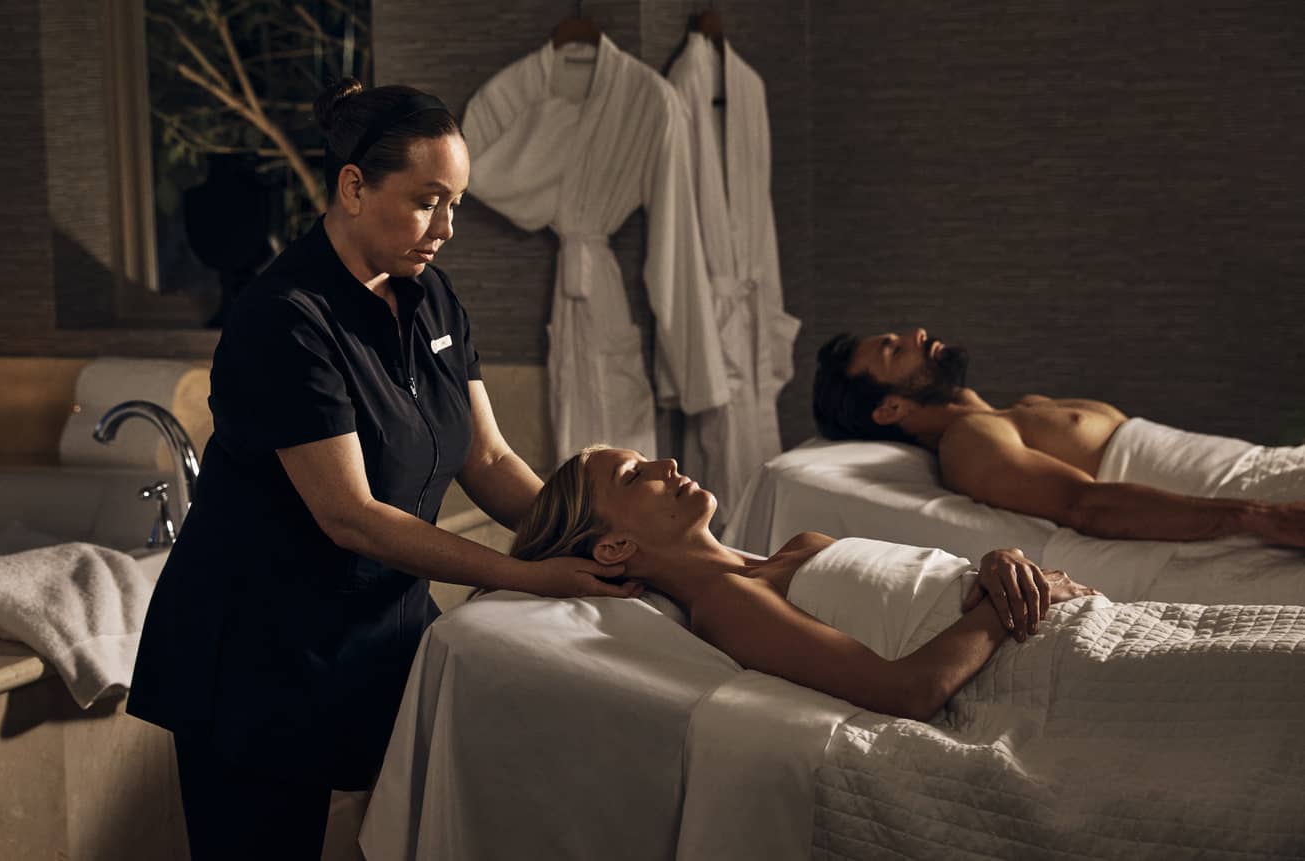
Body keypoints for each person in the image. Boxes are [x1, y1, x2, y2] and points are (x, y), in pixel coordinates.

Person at [125, 80, 642, 859]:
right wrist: (535, 575)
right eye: (429, 200)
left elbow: (488, 455)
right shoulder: (284, 319)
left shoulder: (429, 296)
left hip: (376, 633)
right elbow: (352, 515)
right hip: (254, 659)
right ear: (354, 186)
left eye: (458, 203)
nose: (448, 227)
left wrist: (604, 537)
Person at [509, 445, 1101, 720]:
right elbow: (908, 692)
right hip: (1043, 655)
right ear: (614, 547)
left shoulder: (800, 548)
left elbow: (941, 586)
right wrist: (1004, 603)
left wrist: (1001, 559)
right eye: (636, 477)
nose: (668, 466)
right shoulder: (725, 604)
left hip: (1072, 617)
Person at [811, 328, 1305, 546]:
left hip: (1270, 468)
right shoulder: (969, 440)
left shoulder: (1020, 409)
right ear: (890, 408)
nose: (916, 333)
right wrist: (1254, 515)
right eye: (894, 351)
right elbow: (1085, 506)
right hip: (1260, 501)